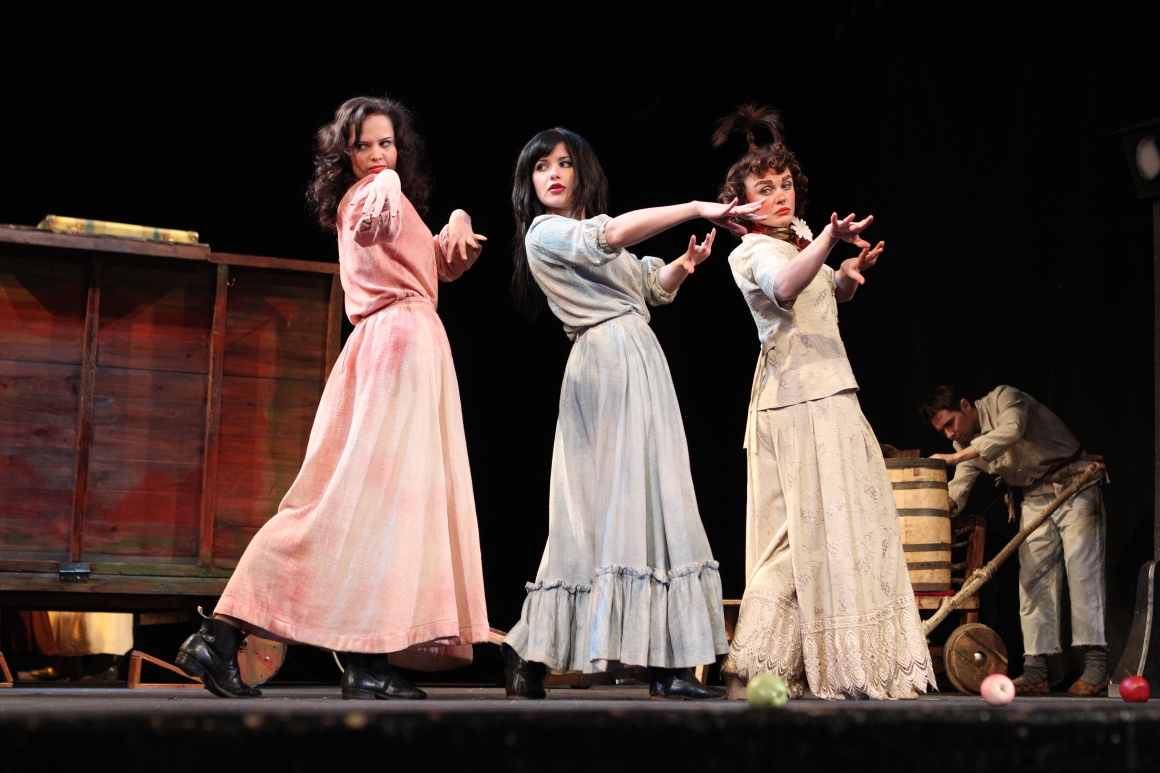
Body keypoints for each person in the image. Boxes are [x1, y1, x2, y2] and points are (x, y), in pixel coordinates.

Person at [176, 96, 490, 700]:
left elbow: (431, 267)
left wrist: (454, 223)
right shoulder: (373, 192)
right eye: (363, 146)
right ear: (345, 156)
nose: (377, 155)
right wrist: (387, 186)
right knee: (345, 503)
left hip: (401, 344)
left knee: (384, 509)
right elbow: (374, 224)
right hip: (398, 346)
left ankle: (368, 660)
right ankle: (222, 632)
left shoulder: (391, 199)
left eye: (386, 144)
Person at [501, 127, 754, 700]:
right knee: (602, 508)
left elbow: (646, 283)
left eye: (564, 163)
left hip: (634, 358)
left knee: (643, 501)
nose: (553, 174)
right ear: (529, 182)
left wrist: (684, 264)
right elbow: (609, 234)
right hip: (604, 364)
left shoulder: (596, 238)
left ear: (583, 171)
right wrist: (696, 207)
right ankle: (534, 651)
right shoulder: (547, 232)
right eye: (541, 167)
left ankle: (659, 664)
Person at [714, 106, 933, 700]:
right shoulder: (753, 252)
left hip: (829, 389)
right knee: (805, 533)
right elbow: (786, 289)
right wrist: (831, 243)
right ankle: (755, 660)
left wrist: (847, 273)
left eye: (784, 184)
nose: (779, 195)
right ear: (742, 205)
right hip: (799, 402)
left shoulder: (800, 236)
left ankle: (759, 664)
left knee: (827, 530)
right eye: (765, 189)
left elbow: (820, 290)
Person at [920, 384, 1108, 695]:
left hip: (1075, 483)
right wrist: (927, 510)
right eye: (943, 431)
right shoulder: (964, 446)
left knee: (1082, 572)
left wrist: (955, 458)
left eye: (950, 423)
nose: (950, 434)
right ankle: (1036, 671)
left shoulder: (1004, 399)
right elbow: (959, 490)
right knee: (1033, 580)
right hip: (1034, 496)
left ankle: (1096, 664)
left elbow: (1011, 431)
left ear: (965, 405)